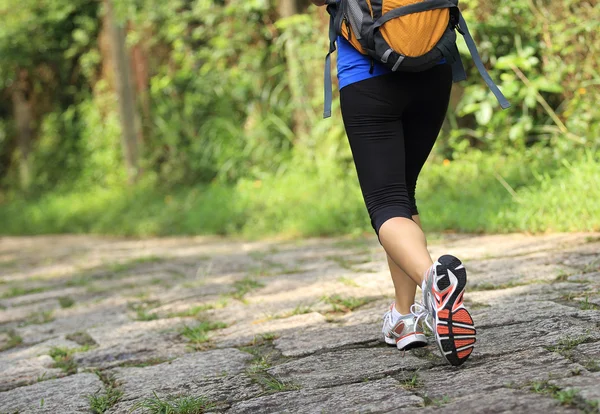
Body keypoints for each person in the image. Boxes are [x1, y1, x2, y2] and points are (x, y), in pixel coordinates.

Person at [311, 0, 476, 366]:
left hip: (369, 75)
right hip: (434, 70)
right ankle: (404, 317)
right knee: (402, 192)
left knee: (386, 202)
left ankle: (432, 282)